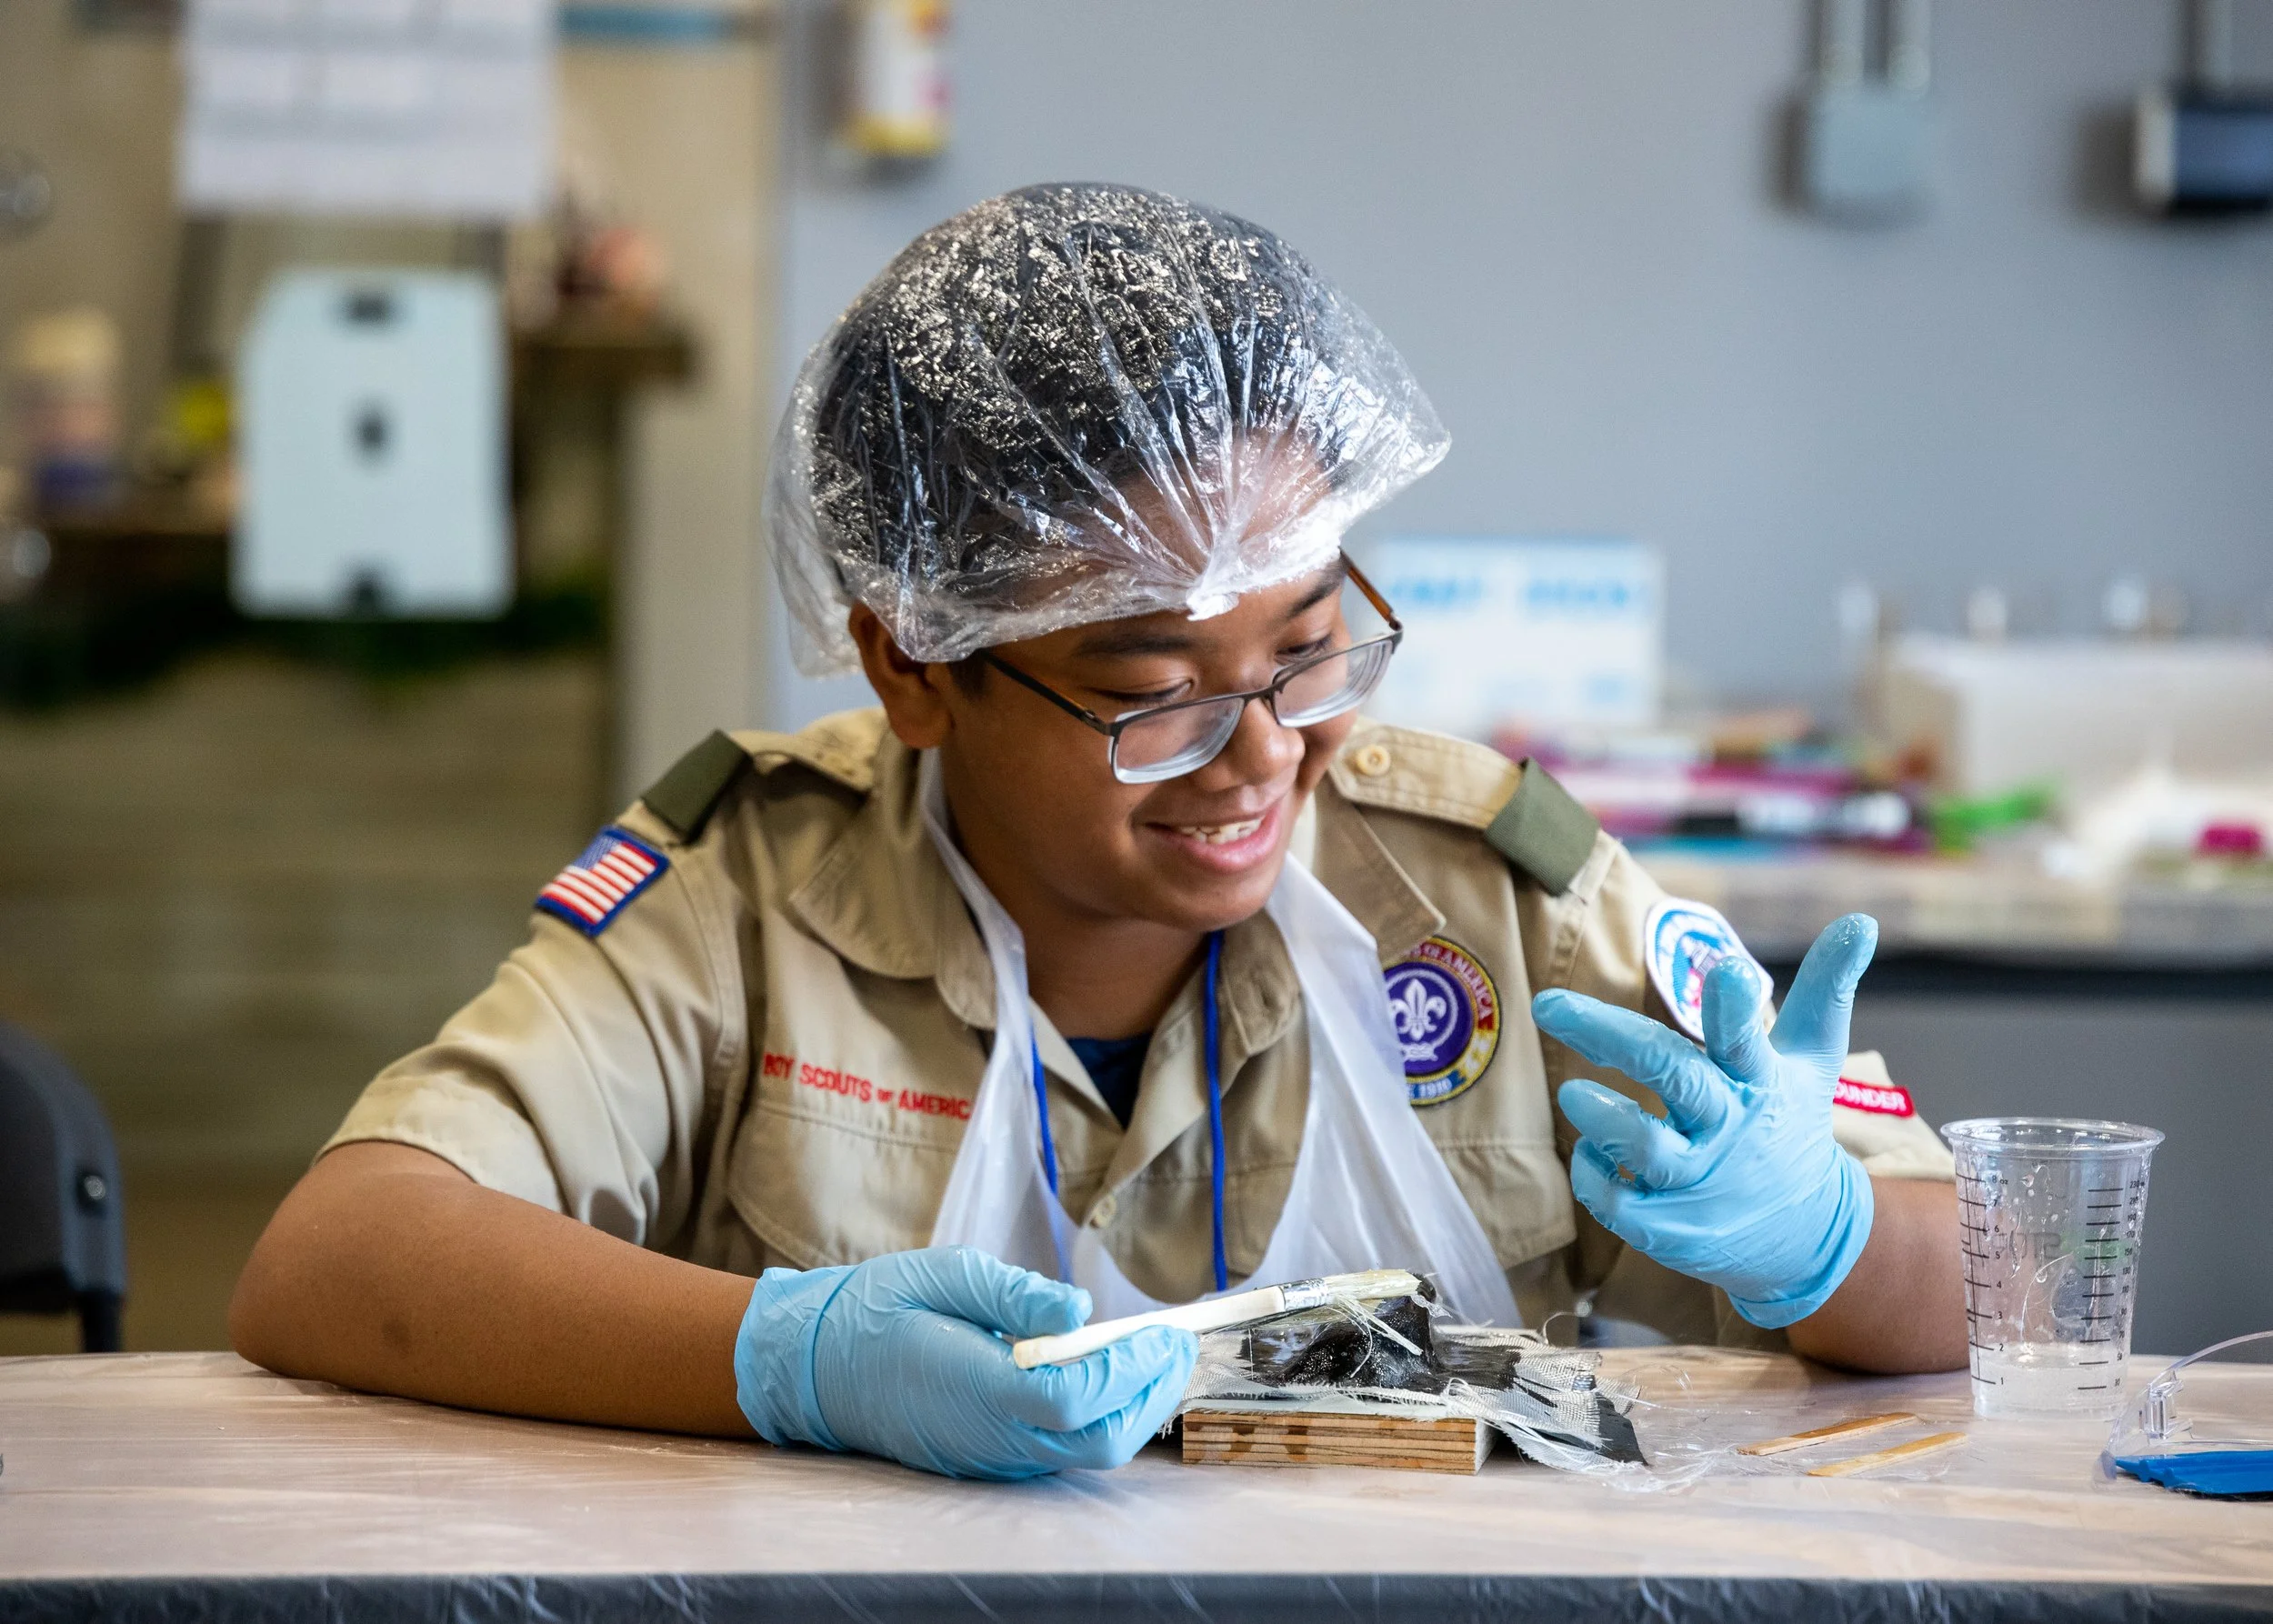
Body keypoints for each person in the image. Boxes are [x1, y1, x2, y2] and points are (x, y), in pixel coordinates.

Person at [231, 183, 1967, 1482]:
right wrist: (786, 1356)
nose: (1260, 755)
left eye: (1306, 651)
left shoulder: (1468, 886)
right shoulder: (750, 891)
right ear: (913, 668)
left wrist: (1813, 1234)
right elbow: (340, 1252)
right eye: (1154, 694)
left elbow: (1986, 1297)